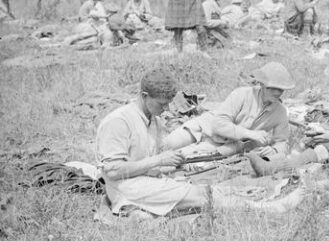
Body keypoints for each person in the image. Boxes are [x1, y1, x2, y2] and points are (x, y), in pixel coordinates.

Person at [97, 67, 260, 217]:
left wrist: (174, 164)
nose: (166, 109)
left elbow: (152, 161)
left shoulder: (154, 121)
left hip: (147, 182)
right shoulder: (119, 121)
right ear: (144, 96)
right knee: (203, 196)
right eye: (162, 104)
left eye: (168, 104)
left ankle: (139, 212)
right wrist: (159, 160)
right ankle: (262, 208)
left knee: (203, 191)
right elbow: (113, 171)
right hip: (127, 187)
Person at [163, 62, 295, 174]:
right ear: (262, 85)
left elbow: (282, 142)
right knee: (166, 145)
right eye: (272, 88)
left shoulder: (280, 112)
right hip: (202, 127)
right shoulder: (242, 94)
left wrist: (274, 150)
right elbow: (218, 124)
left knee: (174, 159)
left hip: (220, 145)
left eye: (281, 89)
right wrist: (250, 134)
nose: (277, 93)